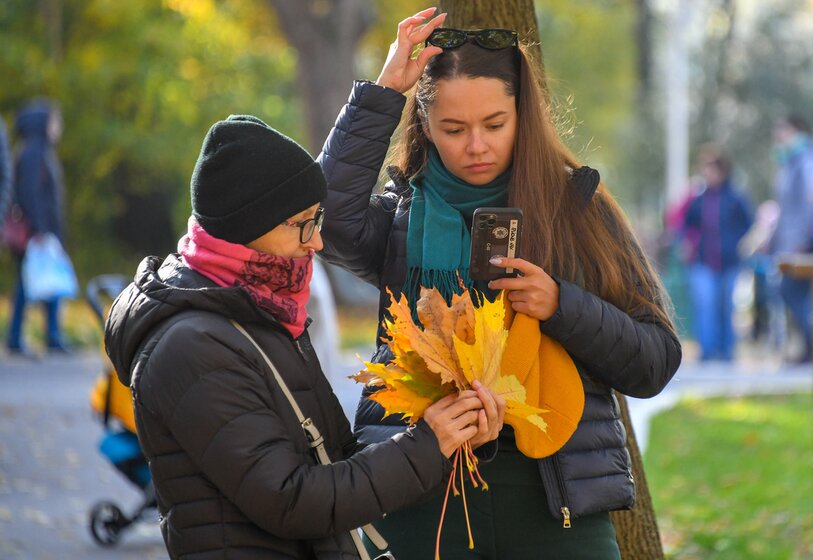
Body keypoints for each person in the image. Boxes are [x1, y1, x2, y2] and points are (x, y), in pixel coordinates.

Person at [318, 8, 682, 559]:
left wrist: (561, 305)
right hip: (421, 490)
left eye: (494, 125)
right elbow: (326, 219)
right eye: (453, 129)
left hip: (554, 499)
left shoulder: (577, 210)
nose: (476, 146)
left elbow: (654, 360)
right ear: (424, 126)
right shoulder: (401, 217)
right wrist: (383, 93)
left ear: (522, 117)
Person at [103, 114, 505, 558]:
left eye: (318, 219)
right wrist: (427, 445)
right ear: (248, 225)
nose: (316, 243)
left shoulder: (260, 309)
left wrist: (451, 438)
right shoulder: (191, 345)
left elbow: (336, 459)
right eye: (303, 223)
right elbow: (291, 500)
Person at [6, 99, 70, 356]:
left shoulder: (39, 150)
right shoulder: (34, 152)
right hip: (37, 234)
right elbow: (29, 194)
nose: (57, 127)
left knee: (45, 283)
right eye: (54, 121)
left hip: (43, 233)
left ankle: (50, 336)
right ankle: (20, 338)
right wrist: (40, 230)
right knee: (29, 285)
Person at [682, 144, 753, 361]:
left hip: (729, 262)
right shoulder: (698, 199)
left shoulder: (735, 198)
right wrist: (690, 243)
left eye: (712, 168)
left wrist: (736, 243)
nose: (708, 173)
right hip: (703, 261)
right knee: (706, 305)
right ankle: (707, 350)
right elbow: (685, 225)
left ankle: (726, 351)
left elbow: (748, 223)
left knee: (726, 306)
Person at [769, 114, 813, 363]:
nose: (780, 137)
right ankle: (812, 347)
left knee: (794, 291)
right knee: (794, 293)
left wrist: (804, 241)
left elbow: (811, 205)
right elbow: (784, 209)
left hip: (801, 245)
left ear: (799, 132)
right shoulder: (790, 164)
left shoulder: (808, 162)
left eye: (784, 131)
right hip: (787, 245)